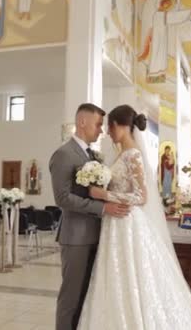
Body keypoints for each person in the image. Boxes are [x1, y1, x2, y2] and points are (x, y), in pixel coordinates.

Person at [78, 105, 191, 329]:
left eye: (110, 127)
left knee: (131, 275)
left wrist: (103, 194)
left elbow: (141, 196)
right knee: (116, 275)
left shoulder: (133, 154)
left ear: (118, 126)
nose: (108, 132)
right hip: (116, 222)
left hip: (127, 222)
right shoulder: (121, 154)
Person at [49, 104, 130, 330]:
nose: (101, 130)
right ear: (82, 122)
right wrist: (103, 209)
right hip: (75, 236)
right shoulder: (64, 154)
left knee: (89, 295)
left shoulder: (93, 155)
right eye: (98, 124)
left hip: (97, 234)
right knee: (71, 296)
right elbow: (63, 198)